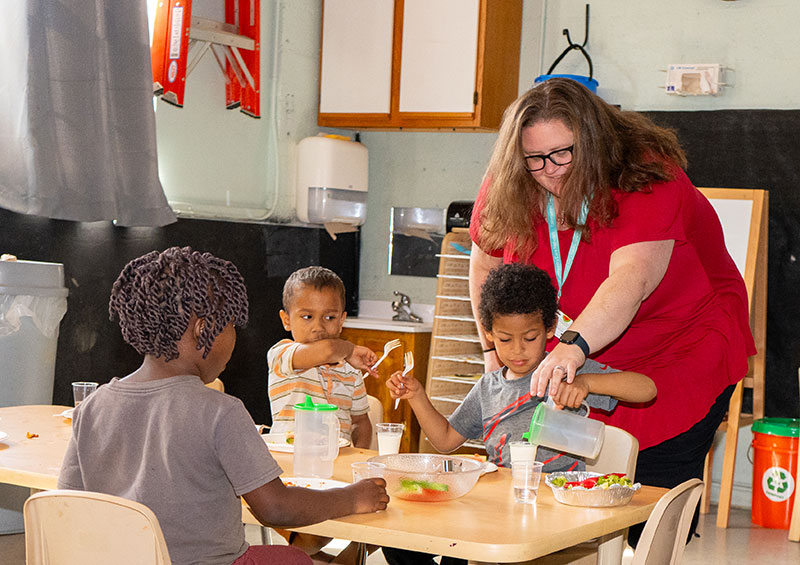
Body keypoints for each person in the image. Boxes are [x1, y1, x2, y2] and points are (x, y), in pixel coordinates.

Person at [468, 77, 755, 543]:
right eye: (534, 158)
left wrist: (571, 348)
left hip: (680, 345)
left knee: (648, 506)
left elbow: (632, 279)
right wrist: (490, 352)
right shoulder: (512, 180)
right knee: (565, 497)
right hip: (586, 351)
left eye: (563, 154)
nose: (550, 171)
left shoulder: (645, 175)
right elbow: (485, 263)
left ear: (594, 141)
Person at [58, 247, 389, 565]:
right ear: (203, 329)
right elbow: (275, 508)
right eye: (230, 324)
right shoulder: (220, 411)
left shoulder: (92, 407)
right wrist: (353, 497)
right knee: (295, 560)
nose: (234, 337)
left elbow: (68, 505)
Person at [381, 263, 655, 565]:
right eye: (505, 339)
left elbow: (646, 389)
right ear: (489, 334)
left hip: (555, 513)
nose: (518, 350)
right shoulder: (488, 388)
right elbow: (445, 440)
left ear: (550, 328)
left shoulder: (564, 372)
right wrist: (417, 396)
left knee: (460, 550)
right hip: (498, 509)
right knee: (400, 544)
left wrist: (587, 383)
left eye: (530, 337)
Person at [267, 266, 378, 562]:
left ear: (342, 320)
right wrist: (348, 349)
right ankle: (293, 557)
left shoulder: (350, 372)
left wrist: (359, 463)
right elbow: (328, 350)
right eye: (307, 317)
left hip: (335, 471)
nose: (318, 327)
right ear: (286, 320)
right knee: (315, 534)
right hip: (289, 473)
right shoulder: (282, 355)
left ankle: (340, 560)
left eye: (329, 317)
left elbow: (361, 422)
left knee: (383, 517)